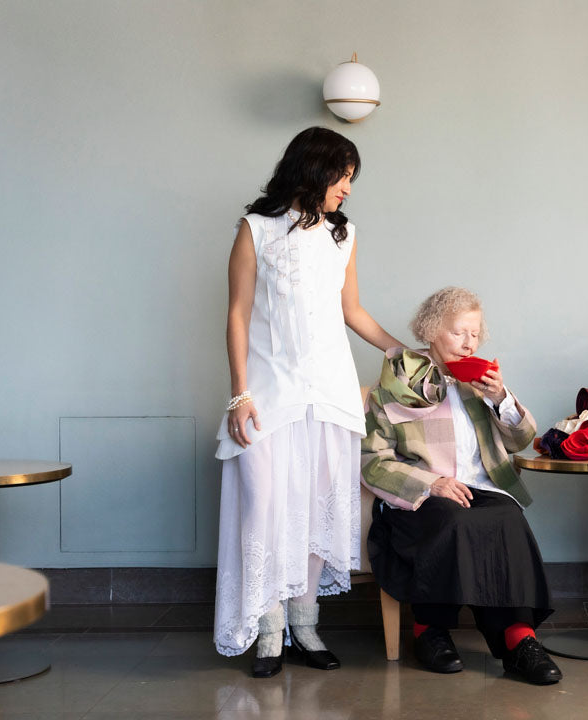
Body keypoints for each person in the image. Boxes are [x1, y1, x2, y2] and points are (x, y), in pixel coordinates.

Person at [213, 127, 402, 678]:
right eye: (342, 176)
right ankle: (268, 630)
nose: (347, 189)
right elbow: (237, 314)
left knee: (319, 509)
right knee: (265, 508)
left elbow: (352, 310)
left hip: (331, 394)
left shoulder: (344, 236)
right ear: (314, 169)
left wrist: (399, 350)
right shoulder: (256, 229)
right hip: (268, 395)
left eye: (351, 179)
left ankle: (305, 624)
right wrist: (239, 393)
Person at [361, 287, 562, 685]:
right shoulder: (392, 388)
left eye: (474, 333)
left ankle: (519, 639)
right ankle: (430, 630)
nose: (469, 343)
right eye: (458, 332)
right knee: (452, 519)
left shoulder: (480, 385)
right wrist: (431, 483)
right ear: (431, 331)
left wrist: (501, 398)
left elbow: (522, 440)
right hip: (420, 496)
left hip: (482, 489)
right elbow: (372, 461)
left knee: (508, 517)